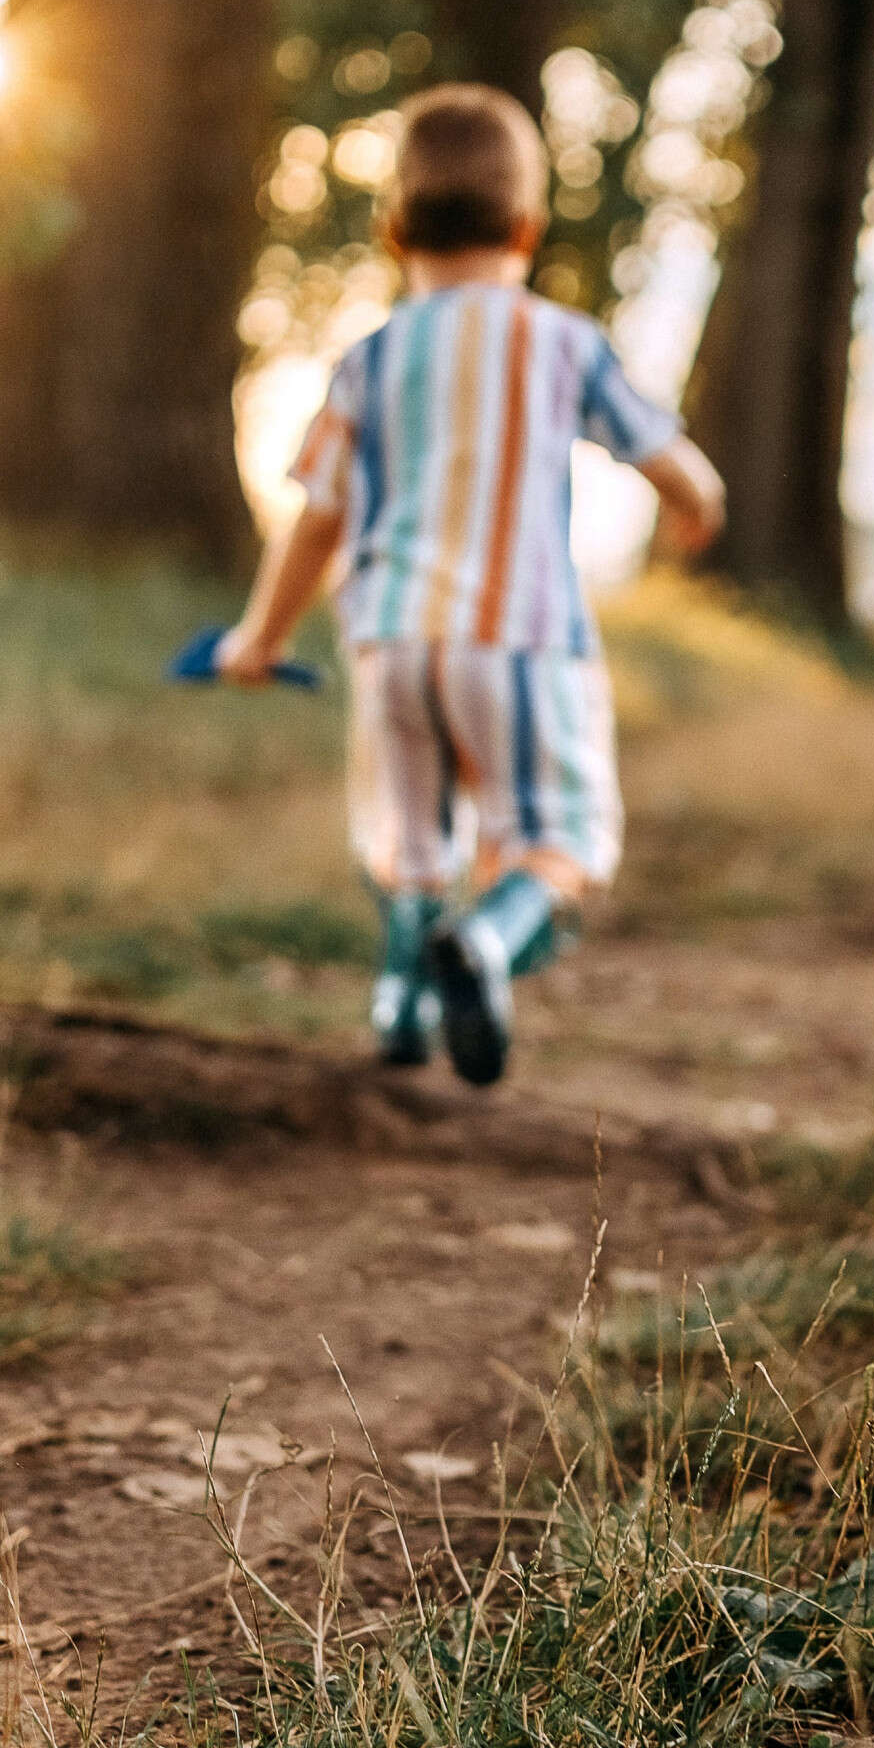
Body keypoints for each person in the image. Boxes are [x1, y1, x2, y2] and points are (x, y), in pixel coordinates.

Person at [215, 85, 724, 1085]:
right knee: (560, 837)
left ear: (392, 229)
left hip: (391, 644)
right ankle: (486, 945)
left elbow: (315, 520)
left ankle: (400, 1000)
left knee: (408, 843)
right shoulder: (563, 342)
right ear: (530, 229)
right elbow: (679, 469)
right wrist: (695, 513)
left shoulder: (367, 362)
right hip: (520, 639)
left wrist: (258, 639)